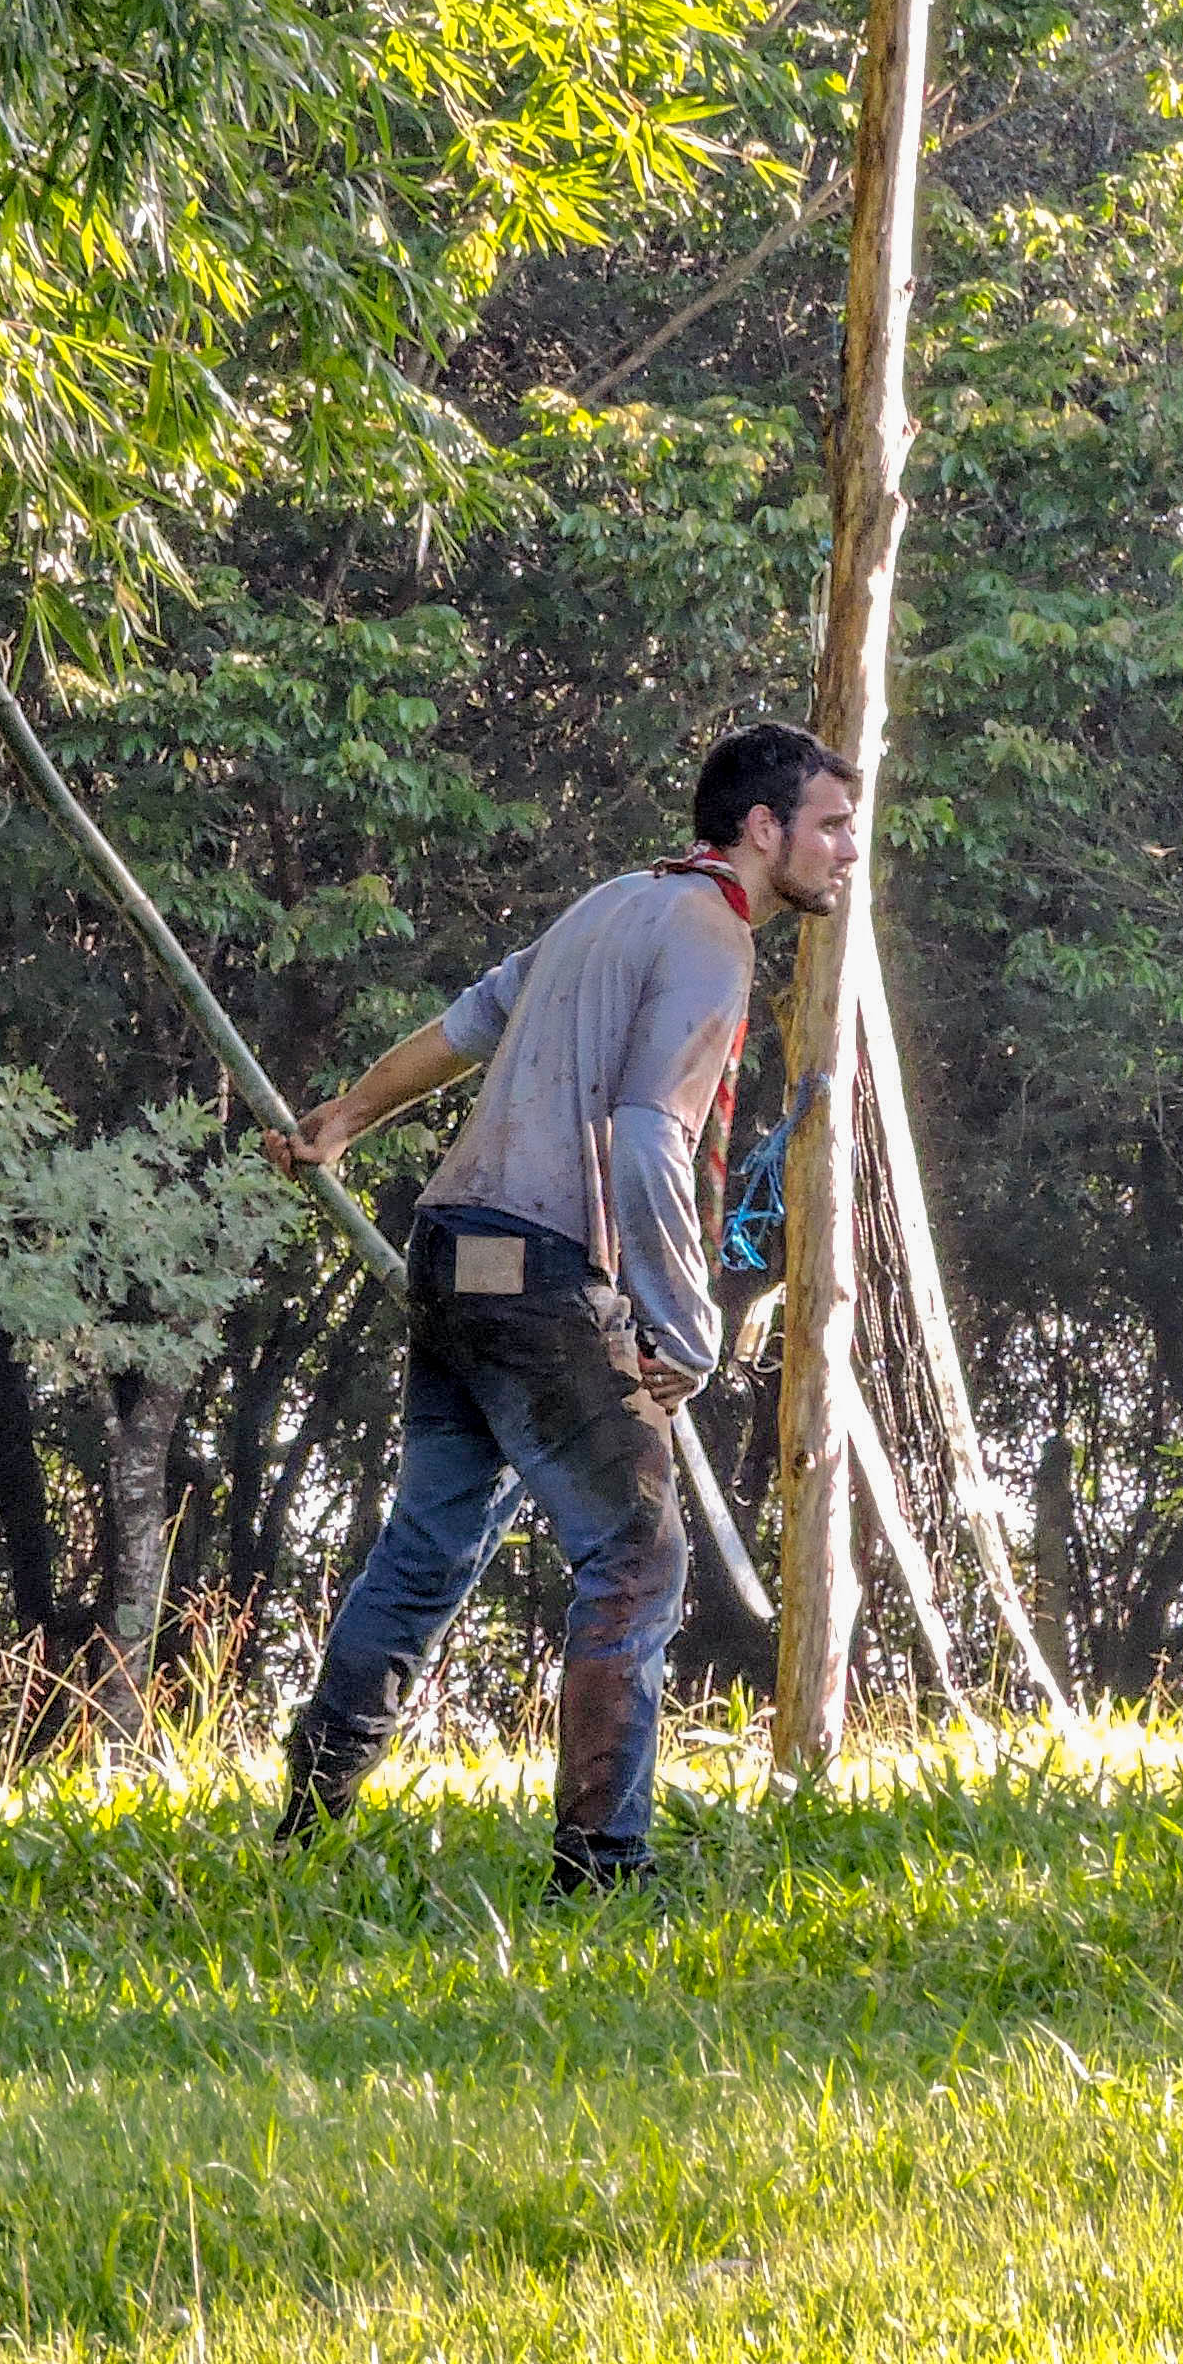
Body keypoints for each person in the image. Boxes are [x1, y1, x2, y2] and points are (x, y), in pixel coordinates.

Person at [265, 723, 863, 1890]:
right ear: (763, 828)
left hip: (454, 1251)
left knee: (428, 1547)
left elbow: (470, 1021)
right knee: (638, 1555)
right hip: (540, 1268)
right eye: (831, 826)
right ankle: (602, 1866)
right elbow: (648, 1134)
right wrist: (684, 1324)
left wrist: (345, 1118)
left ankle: (303, 1828)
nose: (847, 850)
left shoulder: (615, 901)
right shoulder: (712, 934)